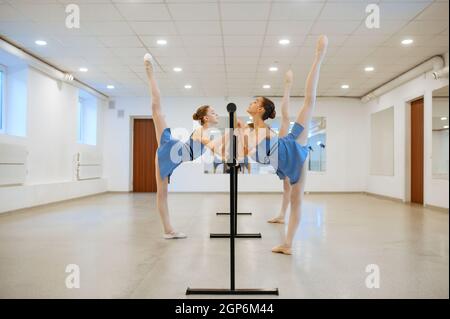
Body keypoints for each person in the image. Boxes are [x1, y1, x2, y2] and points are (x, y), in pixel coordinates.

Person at [237, 35, 328, 255]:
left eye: (255, 101)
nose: (251, 103)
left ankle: (319, 56)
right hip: (284, 162)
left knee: (308, 103)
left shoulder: (263, 130)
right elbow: (249, 149)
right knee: (289, 190)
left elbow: (251, 147)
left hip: (294, 148)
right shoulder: (254, 129)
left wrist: (242, 134)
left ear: (260, 110)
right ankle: (281, 219)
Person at [144, 53, 226, 239]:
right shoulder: (200, 132)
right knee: (157, 110)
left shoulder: (206, 132)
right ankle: (150, 71)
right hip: (169, 149)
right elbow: (212, 146)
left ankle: (168, 231)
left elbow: (215, 145)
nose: (216, 114)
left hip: (169, 156)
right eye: (213, 112)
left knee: (162, 194)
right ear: (205, 118)